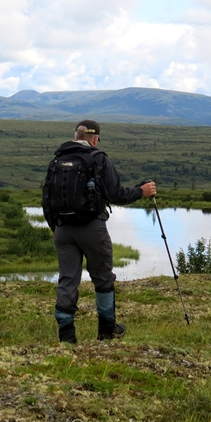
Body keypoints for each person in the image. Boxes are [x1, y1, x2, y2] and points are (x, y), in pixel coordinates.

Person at [44, 120, 156, 344]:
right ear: (95, 139)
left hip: (62, 229)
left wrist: (56, 229)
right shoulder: (98, 158)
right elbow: (116, 194)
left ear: (75, 136)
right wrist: (141, 192)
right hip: (92, 228)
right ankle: (106, 332)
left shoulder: (57, 160)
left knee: (67, 280)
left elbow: (46, 199)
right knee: (103, 278)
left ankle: (67, 338)